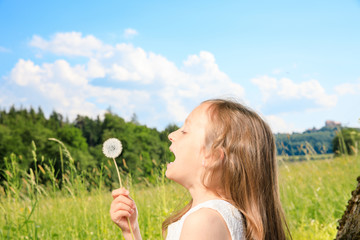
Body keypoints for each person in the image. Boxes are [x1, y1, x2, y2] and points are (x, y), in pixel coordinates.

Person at [110, 99, 291, 240]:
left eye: (185, 131)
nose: (171, 135)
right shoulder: (219, 216)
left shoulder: (203, 221)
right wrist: (131, 231)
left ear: (212, 157)